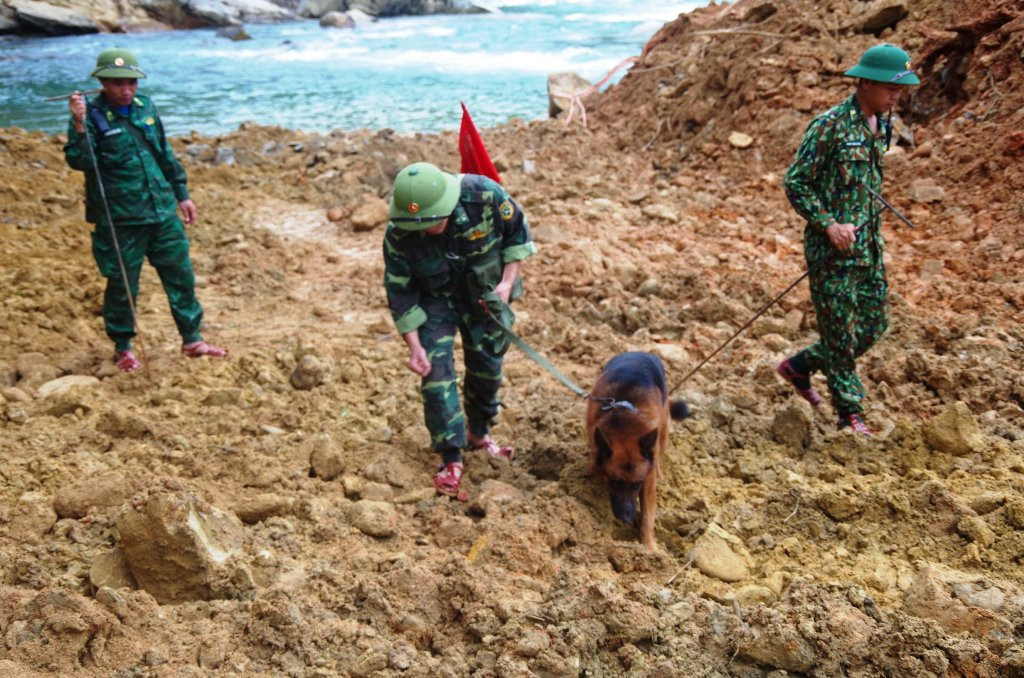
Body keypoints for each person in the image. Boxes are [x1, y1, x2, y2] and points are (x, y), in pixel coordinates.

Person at [777, 44, 919, 435]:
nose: (896, 96)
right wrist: (828, 224)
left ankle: (800, 366)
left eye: (900, 89)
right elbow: (796, 182)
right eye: (891, 88)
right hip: (832, 251)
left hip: (868, 248)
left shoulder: (882, 124)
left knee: (874, 324)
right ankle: (849, 413)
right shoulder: (830, 125)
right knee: (839, 336)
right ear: (866, 83)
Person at [64, 48, 226, 372]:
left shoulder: (145, 107)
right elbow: (80, 161)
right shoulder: (89, 115)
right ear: (102, 83)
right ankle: (124, 348)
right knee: (123, 285)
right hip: (120, 218)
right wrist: (80, 124)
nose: (126, 90)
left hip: (162, 210)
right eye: (117, 83)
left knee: (181, 276)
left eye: (131, 82)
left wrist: (182, 194)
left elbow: (163, 152)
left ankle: (192, 339)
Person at [383, 162, 536, 497]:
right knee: (435, 377)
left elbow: (517, 234)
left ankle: (479, 435)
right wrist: (414, 346)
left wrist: (506, 284)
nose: (428, 231)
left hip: (483, 295)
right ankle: (451, 456)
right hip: (435, 301)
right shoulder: (399, 232)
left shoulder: (484, 194)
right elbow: (400, 291)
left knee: (487, 369)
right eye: (420, 225)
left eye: (434, 222)